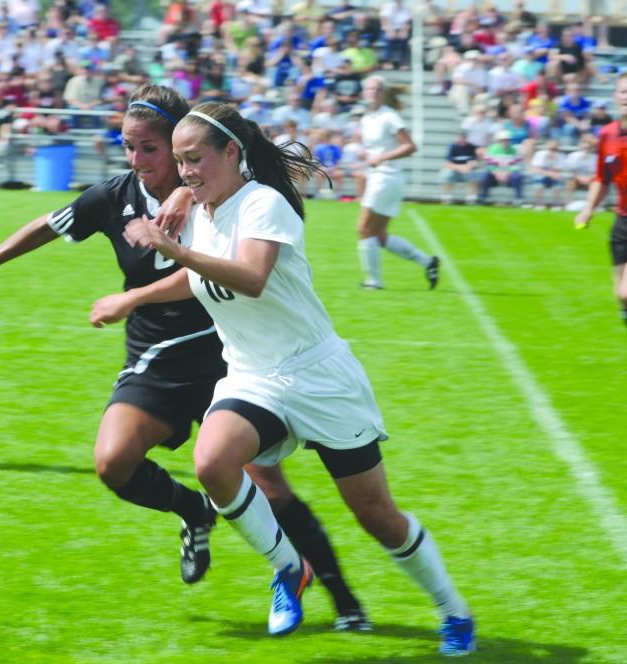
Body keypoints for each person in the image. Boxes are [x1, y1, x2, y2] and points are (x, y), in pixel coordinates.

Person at [0, 85, 371, 630]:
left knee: (267, 483)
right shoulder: (116, 196)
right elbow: (47, 226)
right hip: (156, 357)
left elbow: (219, 264)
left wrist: (176, 216)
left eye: (151, 148)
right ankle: (192, 510)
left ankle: (344, 599)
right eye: (129, 146)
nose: (138, 160)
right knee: (112, 461)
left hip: (231, 359)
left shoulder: (217, 189)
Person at [113, 101, 475, 654]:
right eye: (180, 162)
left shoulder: (264, 202)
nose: (184, 172)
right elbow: (196, 278)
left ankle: (453, 609)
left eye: (195, 160)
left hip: (319, 378)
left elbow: (251, 277)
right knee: (211, 461)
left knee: (377, 516)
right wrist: (134, 297)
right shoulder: (204, 208)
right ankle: (289, 568)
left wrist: (173, 248)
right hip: (253, 377)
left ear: (232, 152)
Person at [357, 75, 439, 290]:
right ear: (364, 92)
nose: (373, 92)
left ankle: (373, 282)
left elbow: (410, 146)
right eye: (369, 88)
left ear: (383, 93)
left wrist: (381, 158)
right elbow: (376, 149)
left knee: (363, 229)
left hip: (386, 177)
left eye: (377, 89)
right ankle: (427, 262)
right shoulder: (367, 118)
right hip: (381, 177)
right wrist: (367, 156)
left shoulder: (389, 116)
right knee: (379, 235)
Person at [574, 72, 627, 329]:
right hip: (622, 220)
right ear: (615, 96)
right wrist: (588, 209)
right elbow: (602, 178)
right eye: (623, 92)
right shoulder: (607, 134)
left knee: (626, 292)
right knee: (620, 295)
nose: (626, 97)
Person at [439, 130, 479, 205]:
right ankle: (446, 197)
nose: (462, 140)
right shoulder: (453, 147)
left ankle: (471, 198)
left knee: (474, 174)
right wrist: (460, 167)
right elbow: (446, 163)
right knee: (447, 173)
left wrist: (468, 166)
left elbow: (475, 161)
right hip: (455, 170)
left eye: (464, 138)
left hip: (467, 170)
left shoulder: (472, 147)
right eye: (460, 138)